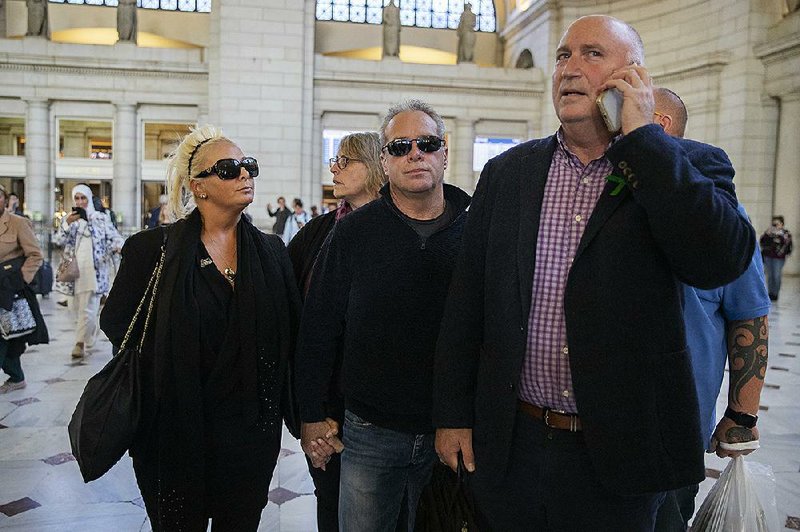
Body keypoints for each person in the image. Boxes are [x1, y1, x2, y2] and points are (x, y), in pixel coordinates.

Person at [433, 15, 755, 531]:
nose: (570, 68)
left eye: (592, 54)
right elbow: (467, 301)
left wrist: (645, 140)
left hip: (620, 454)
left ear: (635, 77)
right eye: (563, 56)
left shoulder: (685, 164)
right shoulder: (509, 174)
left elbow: (719, 259)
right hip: (512, 442)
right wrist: (453, 414)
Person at [99, 125, 301, 531]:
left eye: (249, 166)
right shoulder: (150, 250)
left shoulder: (271, 252)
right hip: (172, 433)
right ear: (199, 187)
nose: (245, 174)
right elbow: (117, 321)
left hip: (249, 436)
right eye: (229, 169)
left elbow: (291, 333)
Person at [296, 100, 470, 531]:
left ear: (444, 154)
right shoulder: (353, 233)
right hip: (370, 433)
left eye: (427, 144)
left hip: (452, 431)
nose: (415, 154)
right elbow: (319, 326)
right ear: (385, 161)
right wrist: (311, 414)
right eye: (400, 146)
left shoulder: (476, 229)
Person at [651, 87, 771, 530]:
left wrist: (741, 415)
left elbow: (749, 315)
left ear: (659, 125)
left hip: (676, 436)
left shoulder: (722, 216)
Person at [287, 131, 385, 532]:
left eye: (346, 160)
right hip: (326, 408)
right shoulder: (317, 232)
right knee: (330, 503)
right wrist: (312, 416)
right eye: (335, 160)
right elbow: (296, 320)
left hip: (382, 412)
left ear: (376, 167)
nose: (335, 168)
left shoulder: (401, 228)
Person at [54, 185, 123, 360]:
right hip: (74, 271)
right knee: (75, 308)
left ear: (89, 199)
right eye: (76, 198)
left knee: (89, 308)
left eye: (83, 198)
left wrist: (118, 246)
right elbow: (57, 240)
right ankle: (88, 335)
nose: (80, 202)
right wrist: (67, 224)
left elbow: (115, 237)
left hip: (95, 270)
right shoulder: (71, 220)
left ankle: (79, 343)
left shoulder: (100, 218)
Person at [0, 185, 46, 394]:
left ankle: (17, 376)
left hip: (11, 289)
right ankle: (16, 376)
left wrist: (21, 279)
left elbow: (35, 254)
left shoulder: (17, 223)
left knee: (10, 336)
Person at [760, 215, 792, 300]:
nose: (775, 225)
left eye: (777, 223)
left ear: (782, 224)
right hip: (768, 256)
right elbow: (762, 242)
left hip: (779, 258)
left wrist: (778, 237)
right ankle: (770, 293)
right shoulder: (769, 232)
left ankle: (776, 293)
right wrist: (768, 234)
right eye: (773, 223)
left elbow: (787, 244)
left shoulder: (785, 234)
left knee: (776, 275)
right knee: (770, 275)